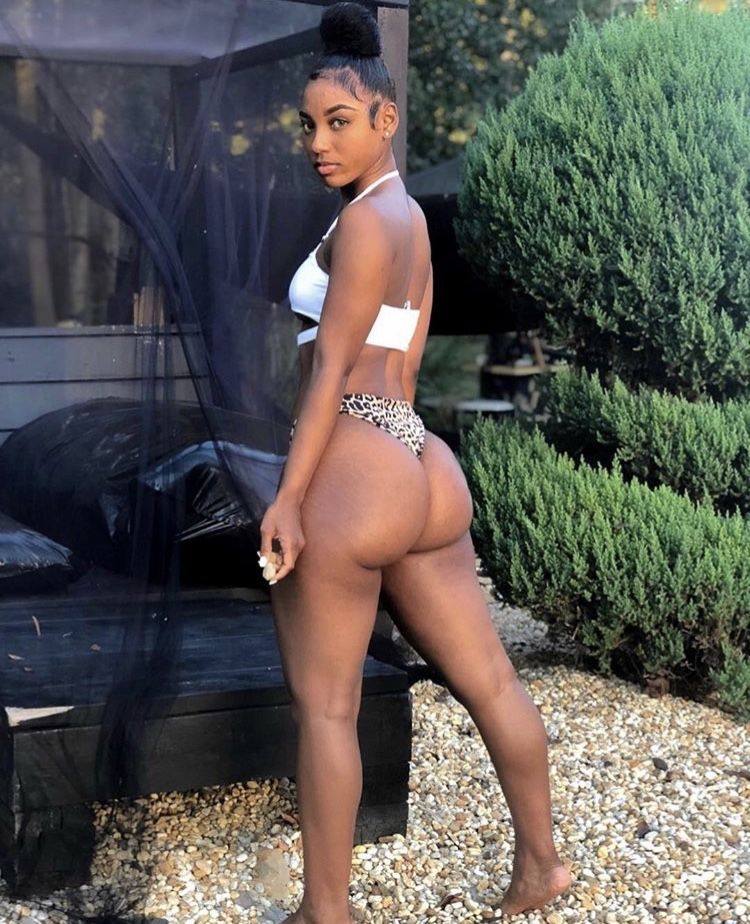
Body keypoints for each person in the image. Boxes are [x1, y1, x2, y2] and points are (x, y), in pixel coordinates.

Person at [258, 4, 572, 922]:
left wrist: (288, 497)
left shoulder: (364, 223)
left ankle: (326, 911)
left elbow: (329, 376)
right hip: (420, 462)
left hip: (355, 467)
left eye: (338, 122)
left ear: (385, 118)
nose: (319, 143)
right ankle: (541, 866)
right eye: (308, 125)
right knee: (491, 679)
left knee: (327, 708)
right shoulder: (410, 218)